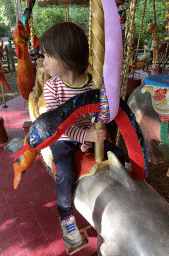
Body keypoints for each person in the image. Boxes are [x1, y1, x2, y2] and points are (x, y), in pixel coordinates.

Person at [39, 22, 125, 248]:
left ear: (65, 55)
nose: (43, 61)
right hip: (65, 139)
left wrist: (99, 127)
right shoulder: (52, 88)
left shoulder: (93, 84)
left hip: (90, 135)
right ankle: (67, 221)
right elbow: (62, 126)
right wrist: (86, 136)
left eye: (47, 56)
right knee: (65, 175)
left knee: (120, 156)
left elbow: (100, 113)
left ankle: (125, 204)